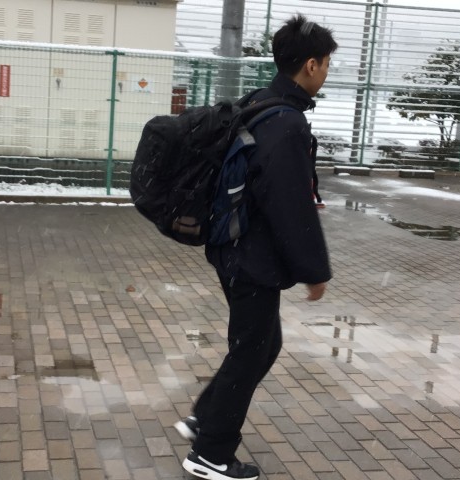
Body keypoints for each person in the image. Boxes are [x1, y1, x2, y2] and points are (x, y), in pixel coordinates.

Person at [175, 15, 337, 480]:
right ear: (310, 65)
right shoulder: (285, 123)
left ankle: (205, 419)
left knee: (261, 345)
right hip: (251, 258)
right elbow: (290, 205)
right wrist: (315, 271)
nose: (327, 72)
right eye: (326, 63)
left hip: (234, 247)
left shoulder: (260, 102)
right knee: (251, 350)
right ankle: (210, 455)